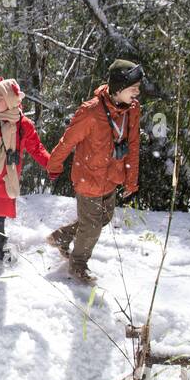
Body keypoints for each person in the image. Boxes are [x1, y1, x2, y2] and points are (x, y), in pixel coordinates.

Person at [45, 60, 143, 284]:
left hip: (112, 176)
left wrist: (131, 180)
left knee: (104, 218)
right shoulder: (91, 112)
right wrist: (54, 165)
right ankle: (78, 264)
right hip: (88, 177)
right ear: (118, 88)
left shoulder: (132, 110)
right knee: (92, 226)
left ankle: (62, 236)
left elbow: (134, 144)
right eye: (133, 88)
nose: (137, 93)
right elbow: (68, 141)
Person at [0, 77, 51, 264]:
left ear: (12, 101)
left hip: (9, 178)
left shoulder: (23, 125)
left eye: (0, 97)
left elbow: (36, 148)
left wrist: (51, 164)